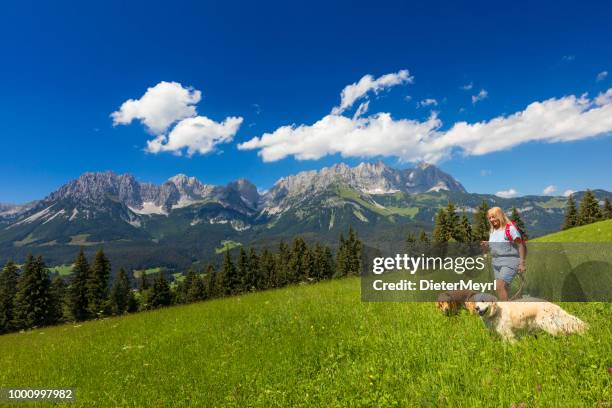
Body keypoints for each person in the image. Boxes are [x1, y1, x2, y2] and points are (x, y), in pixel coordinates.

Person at [480, 207, 526, 300]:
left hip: (510, 262)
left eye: (493, 217)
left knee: (499, 286)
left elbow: (520, 245)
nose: (492, 220)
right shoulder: (492, 231)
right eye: (489, 218)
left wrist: (521, 263)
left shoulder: (510, 229)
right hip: (496, 263)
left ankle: (503, 311)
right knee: (503, 288)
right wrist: (487, 245)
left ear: (500, 216)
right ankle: (512, 309)